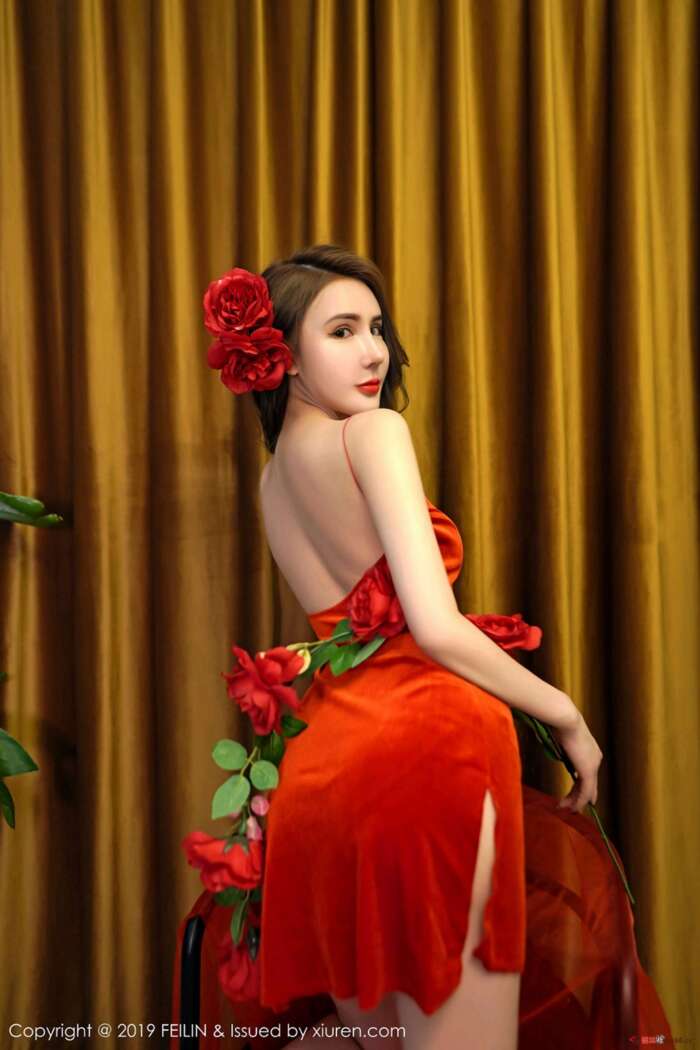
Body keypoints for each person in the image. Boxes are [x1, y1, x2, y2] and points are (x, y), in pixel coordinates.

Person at [171, 244, 675, 1050]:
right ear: (282, 356)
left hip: (320, 771)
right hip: (423, 750)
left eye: (376, 328)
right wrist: (567, 715)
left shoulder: (273, 482)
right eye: (342, 331)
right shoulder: (374, 434)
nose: (374, 351)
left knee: (376, 1040)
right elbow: (434, 628)